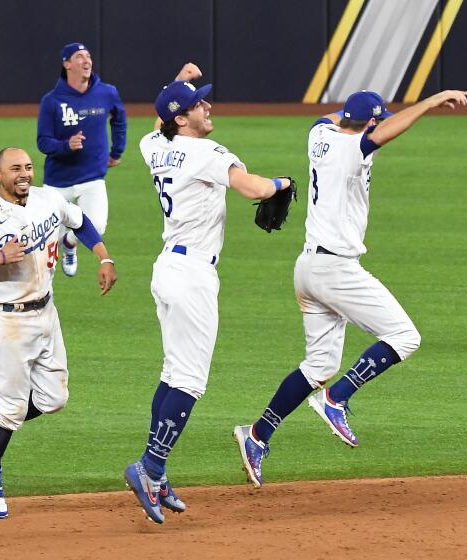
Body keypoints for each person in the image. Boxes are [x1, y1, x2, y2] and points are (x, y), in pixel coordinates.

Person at [233, 89, 467, 488]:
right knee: (404, 336)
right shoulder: (351, 148)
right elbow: (383, 133)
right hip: (335, 270)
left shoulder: (320, 134)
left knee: (319, 365)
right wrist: (429, 103)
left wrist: (354, 115)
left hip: (308, 268)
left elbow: (335, 119)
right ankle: (336, 398)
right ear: (370, 124)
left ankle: (256, 435)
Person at [122, 63, 296, 524]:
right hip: (192, 276)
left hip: (167, 269)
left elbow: (156, 123)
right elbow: (254, 188)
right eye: (199, 102)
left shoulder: (155, 146)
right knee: (189, 381)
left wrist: (178, 82)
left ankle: (155, 474)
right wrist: (284, 183)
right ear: (183, 119)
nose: (208, 105)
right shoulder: (207, 152)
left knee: (173, 372)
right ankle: (151, 466)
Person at [0, 147, 117, 519]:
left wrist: (103, 257)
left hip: (46, 312)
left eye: (27, 167)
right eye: (14, 169)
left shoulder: (48, 199)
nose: (23, 174)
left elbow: (80, 221)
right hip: (7, 321)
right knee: (11, 409)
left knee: (54, 399)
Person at [36, 42, 126, 278]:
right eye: (79, 57)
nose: (86, 61)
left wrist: (117, 151)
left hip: (91, 177)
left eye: (88, 56)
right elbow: (43, 142)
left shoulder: (106, 92)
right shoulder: (52, 100)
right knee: (46, 241)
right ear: (67, 64)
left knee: (95, 227)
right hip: (58, 181)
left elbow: (119, 118)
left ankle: (70, 242)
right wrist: (66, 145)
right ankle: (40, 291)